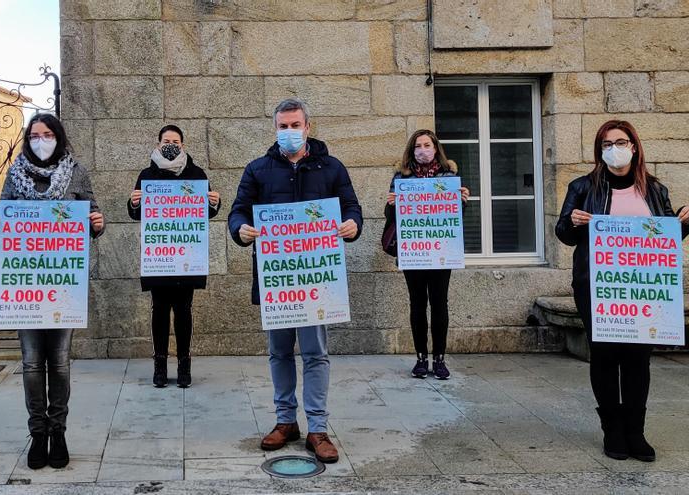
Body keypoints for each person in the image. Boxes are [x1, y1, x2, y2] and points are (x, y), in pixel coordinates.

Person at [228, 98, 362, 464]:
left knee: (316, 353)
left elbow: (352, 207)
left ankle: (317, 428)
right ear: (275, 128)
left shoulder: (331, 168)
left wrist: (353, 226)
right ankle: (286, 421)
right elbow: (237, 210)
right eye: (283, 126)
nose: (289, 132)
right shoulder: (258, 169)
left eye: (295, 125)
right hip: (278, 281)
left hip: (316, 280)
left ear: (308, 126)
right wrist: (240, 229)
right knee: (280, 352)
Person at [556, 120, 689, 463]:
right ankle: (612, 429)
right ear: (599, 150)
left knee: (637, 358)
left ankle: (635, 430)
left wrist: (683, 224)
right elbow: (563, 232)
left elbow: (663, 242)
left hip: (641, 290)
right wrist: (572, 221)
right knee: (604, 355)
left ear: (634, 146)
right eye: (607, 142)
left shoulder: (654, 190)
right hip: (596, 285)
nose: (615, 147)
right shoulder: (583, 186)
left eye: (621, 141)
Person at [0, 113, 105, 470]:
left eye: (47, 134)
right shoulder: (15, 172)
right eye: (35, 135)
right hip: (26, 287)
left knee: (61, 364)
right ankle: (38, 433)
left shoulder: (77, 171)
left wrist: (97, 224)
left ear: (59, 136)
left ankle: (60, 431)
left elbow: (92, 213)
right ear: (27, 140)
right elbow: (0, 218)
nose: (41, 140)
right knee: (32, 363)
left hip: (63, 285)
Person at [127, 125, 220, 388]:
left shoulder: (196, 174)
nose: (171, 144)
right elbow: (137, 213)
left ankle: (184, 364)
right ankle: (159, 364)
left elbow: (206, 213)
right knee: (159, 310)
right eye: (166, 140)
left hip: (186, 256)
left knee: (183, 311)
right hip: (159, 255)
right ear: (158, 145)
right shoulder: (147, 175)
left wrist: (213, 202)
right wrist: (134, 203)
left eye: (175, 141)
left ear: (183, 145)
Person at [383, 130, 469, 380]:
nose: (422, 149)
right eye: (418, 146)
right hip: (414, 251)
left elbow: (455, 217)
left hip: (441, 250)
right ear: (412, 150)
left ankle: (439, 359)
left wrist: (462, 201)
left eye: (427, 145)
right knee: (417, 303)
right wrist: (391, 205)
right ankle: (421, 357)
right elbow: (392, 218)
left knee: (440, 303)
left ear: (435, 148)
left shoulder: (449, 175)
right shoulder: (401, 176)